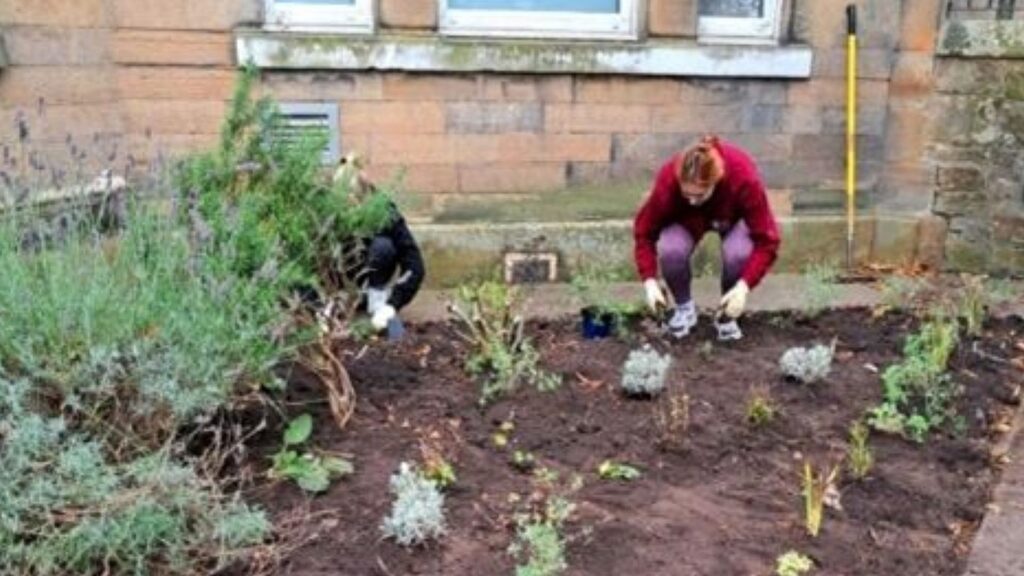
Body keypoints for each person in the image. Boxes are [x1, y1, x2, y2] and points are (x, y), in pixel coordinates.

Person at [633, 135, 781, 341]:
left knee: (738, 253)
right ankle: (685, 308)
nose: (692, 201)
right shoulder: (668, 179)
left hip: (732, 216)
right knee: (671, 250)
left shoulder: (743, 178)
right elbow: (644, 232)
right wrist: (649, 281)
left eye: (699, 195)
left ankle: (727, 313)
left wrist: (743, 287)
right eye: (687, 195)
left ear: (716, 181)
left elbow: (768, 241)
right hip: (686, 220)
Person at [333, 153, 425, 334]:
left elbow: (414, 262)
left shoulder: (383, 209)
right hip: (345, 269)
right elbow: (306, 261)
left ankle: (377, 300)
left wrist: (394, 304)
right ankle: (339, 300)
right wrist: (316, 304)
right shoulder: (327, 211)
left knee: (383, 247)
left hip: (378, 268)